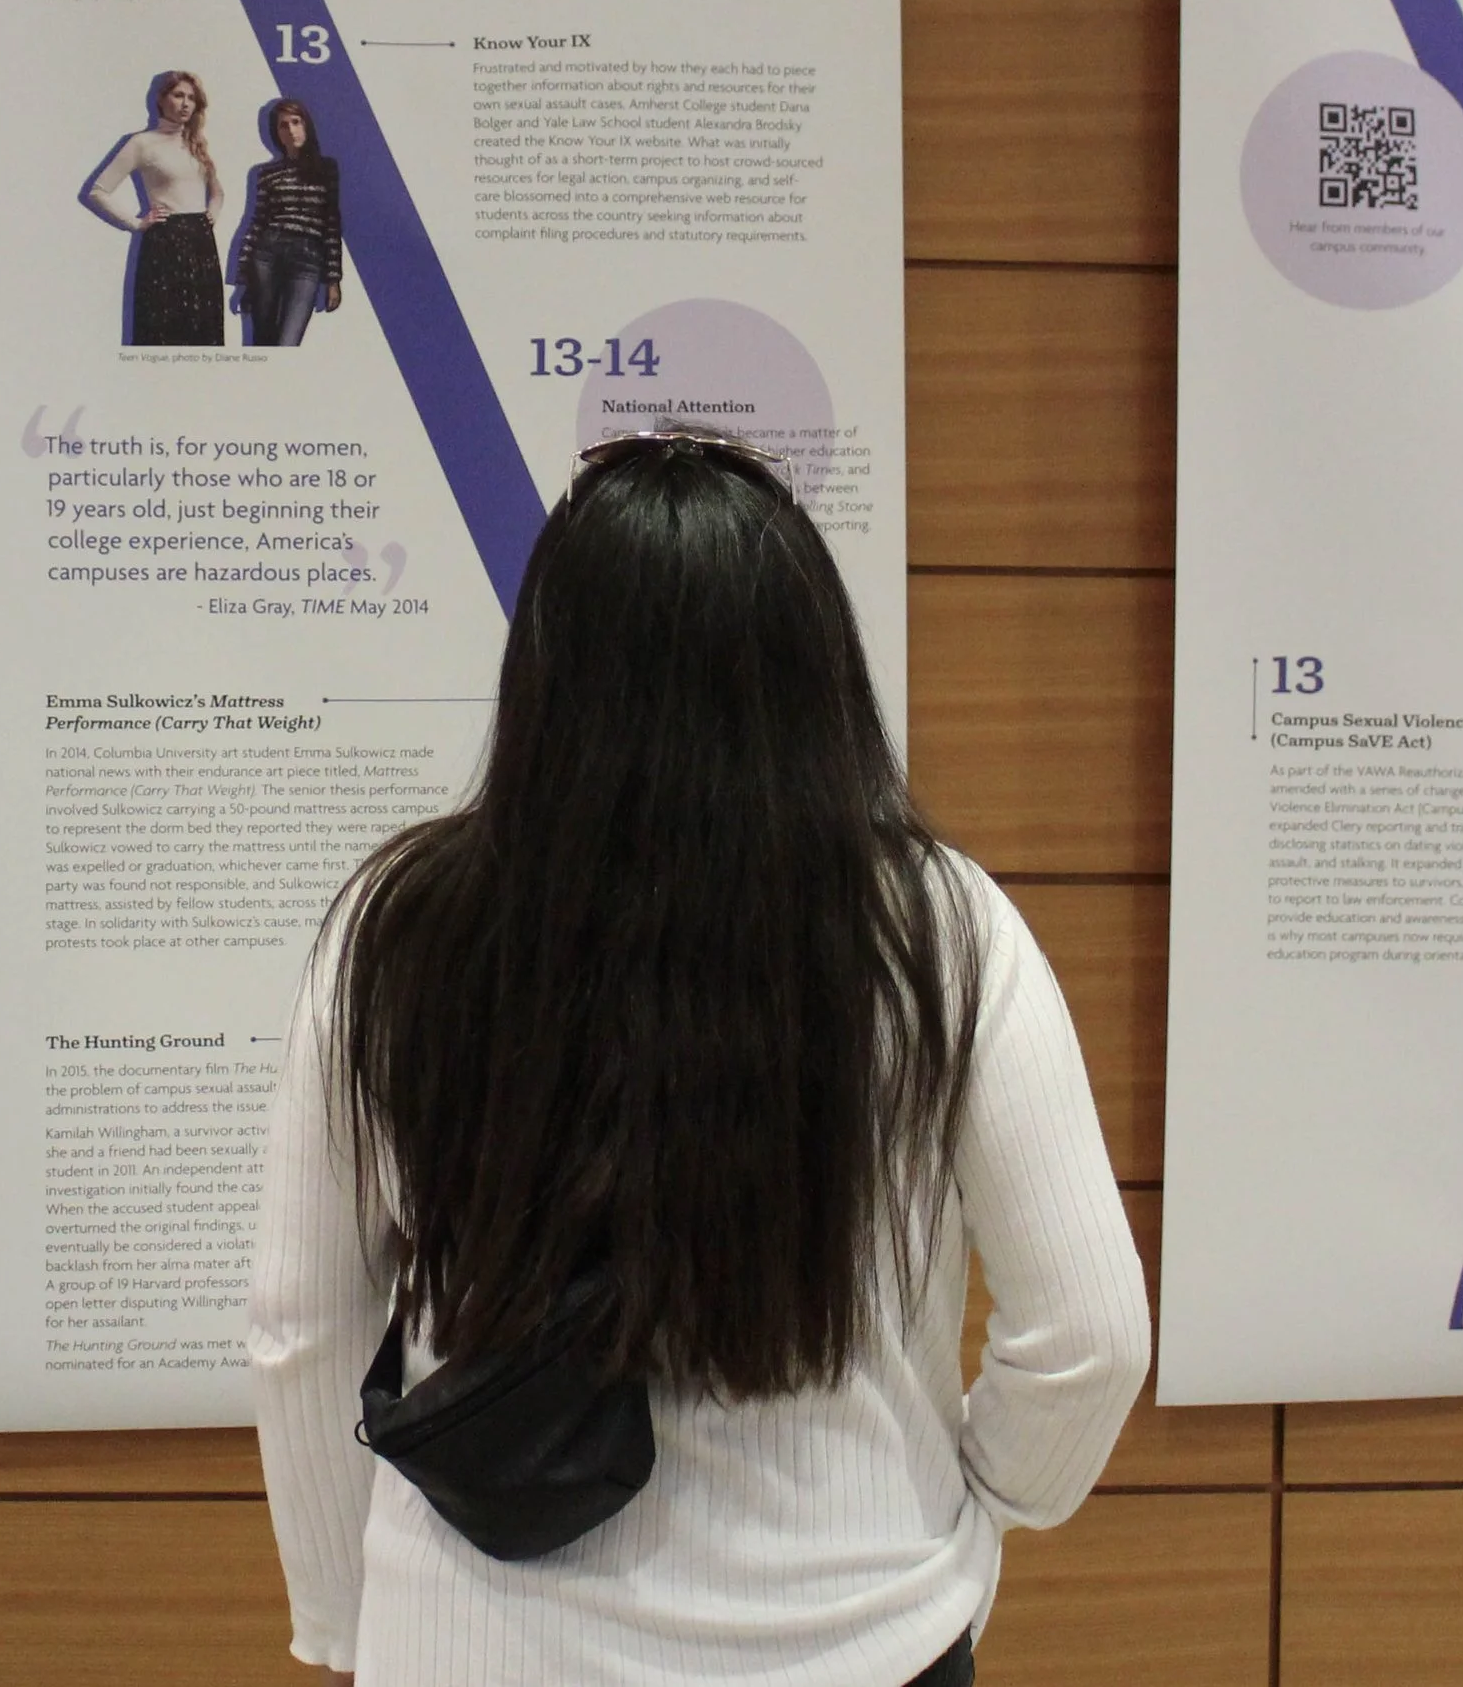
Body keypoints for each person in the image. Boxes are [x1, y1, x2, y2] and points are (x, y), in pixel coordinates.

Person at [248, 430, 1148, 1687]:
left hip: (480, 1641)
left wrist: (348, 1620)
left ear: (545, 675)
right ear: (815, 670)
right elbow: (1091, 1334)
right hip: (860, 1632)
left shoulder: (395, 931)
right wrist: (975, 1508)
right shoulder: (942, 927)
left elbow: (303, 1321)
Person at [85, 70, 225, 344]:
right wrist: (136, 223)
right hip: (164, 242)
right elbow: (97, 192)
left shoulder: (196, 144)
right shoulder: (141, 143)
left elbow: (218, 193)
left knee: (203, 331)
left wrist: (209, 218)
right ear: (161, 99)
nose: (186, 103)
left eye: (192, 98)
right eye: (178, 95)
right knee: (162, 328)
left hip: (201, 244)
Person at [235, 98, 343, 345]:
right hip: (267, 253)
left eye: (296, 122)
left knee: (288, 344)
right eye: (283, 125)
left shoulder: (326, 168)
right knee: (263, 344)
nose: (291, 130)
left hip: (308, 258)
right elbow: (257, 222)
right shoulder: (265, 173)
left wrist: (333, 279)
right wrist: (244, 277)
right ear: (276, 132)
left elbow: (331, 223)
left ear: (307, 125)